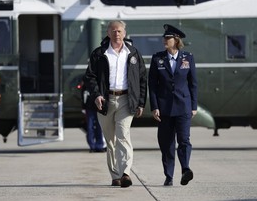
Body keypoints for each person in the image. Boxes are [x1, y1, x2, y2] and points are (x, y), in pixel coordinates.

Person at [84, 20, 147, 188]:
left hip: (126, 100)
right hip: (105, 101)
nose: (116, 33)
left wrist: (140, 102)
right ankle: (115, 175)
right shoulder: (99, 54)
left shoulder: (133, 53)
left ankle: (125, 173)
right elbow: (90, 77)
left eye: (119, 31)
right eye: (113, 31)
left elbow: (142, 79)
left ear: (124, 33)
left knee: (123, 135)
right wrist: (96, 95)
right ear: (108, 33)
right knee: (110, 141)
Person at [148, 24, 198, 186]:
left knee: (184, 140)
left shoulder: (188, 58)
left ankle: (185, 169)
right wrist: (154, 106)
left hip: (183, 106)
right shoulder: (157, 58)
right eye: (164, 38)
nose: (164, 40)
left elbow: (193, 84)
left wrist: (194, 105)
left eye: (168, 38)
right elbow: (152, 85)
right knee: (166, 143)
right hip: (165, 109)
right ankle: (169, 176)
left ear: (176, 40)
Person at [81, 76, 106, 152]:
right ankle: (92, 146)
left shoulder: (100, 77)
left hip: (99, 107)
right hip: (89, 107)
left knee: (100, 127)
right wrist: (83, 107)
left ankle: (99, 145)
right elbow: (83, 94)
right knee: (90, 127)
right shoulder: (86, 79)